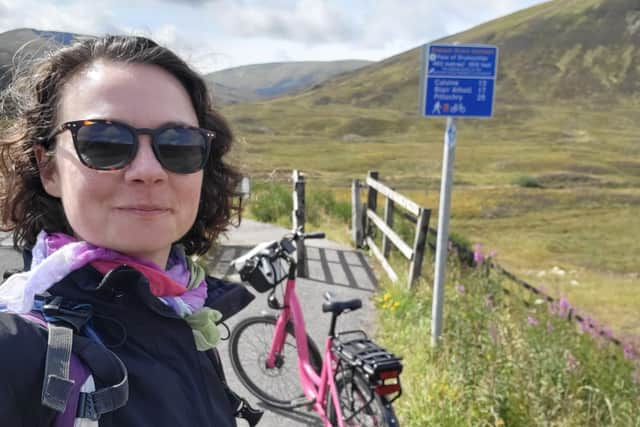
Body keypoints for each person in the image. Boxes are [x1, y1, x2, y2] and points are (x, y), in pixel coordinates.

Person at [0, 35, 258, 426]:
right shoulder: (16, 352)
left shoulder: (185, 313)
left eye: (178, 144)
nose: (149, 171)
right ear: (48, 168)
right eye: (103, 141)